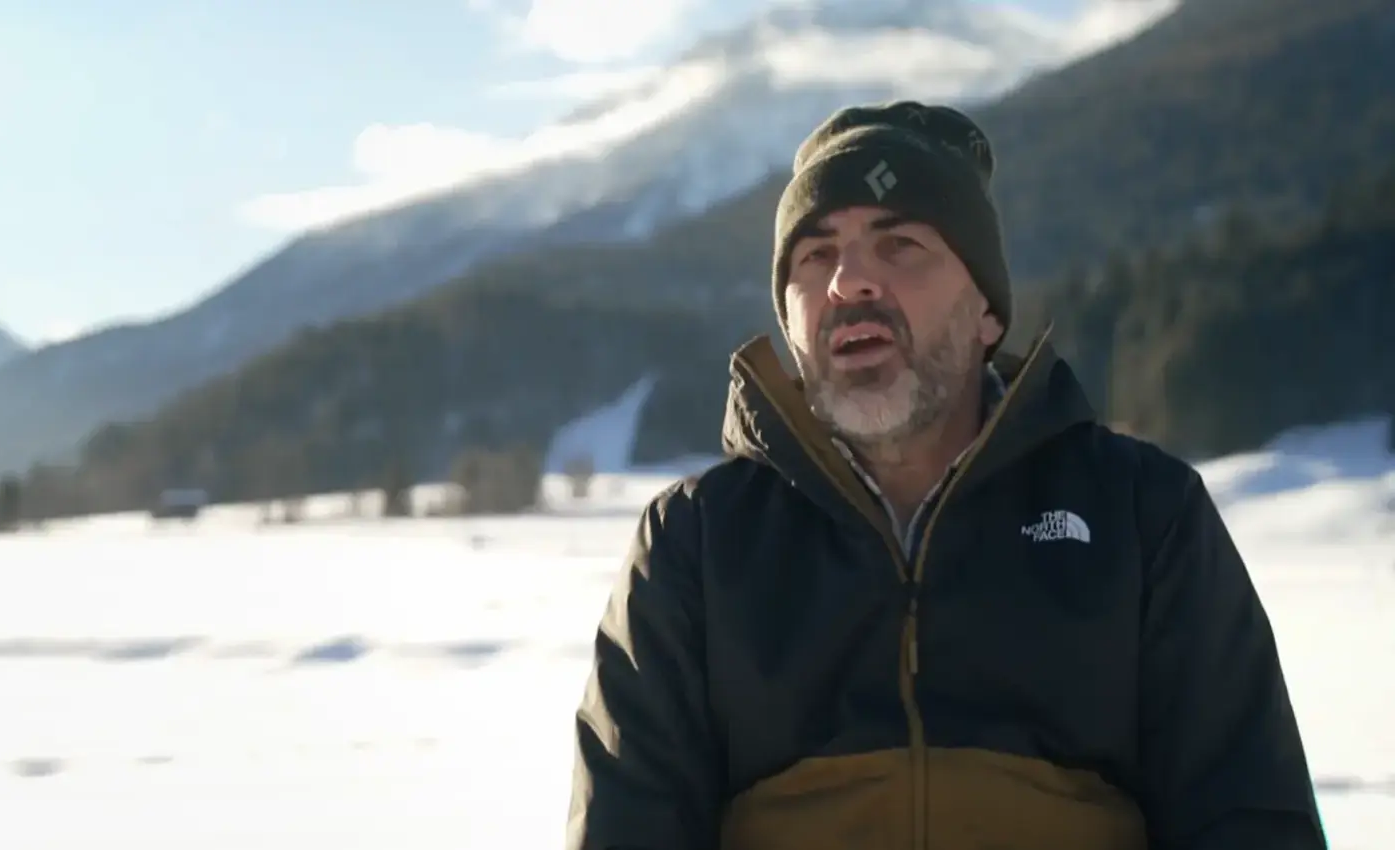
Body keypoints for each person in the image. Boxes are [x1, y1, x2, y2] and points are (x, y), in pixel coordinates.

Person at [564, 100, 1326, 849]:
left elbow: (1252, 821)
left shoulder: (1142, 516)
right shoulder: (697, 545)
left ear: (987, 311)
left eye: (899, 246)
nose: (848, 283)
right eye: (815, 256)